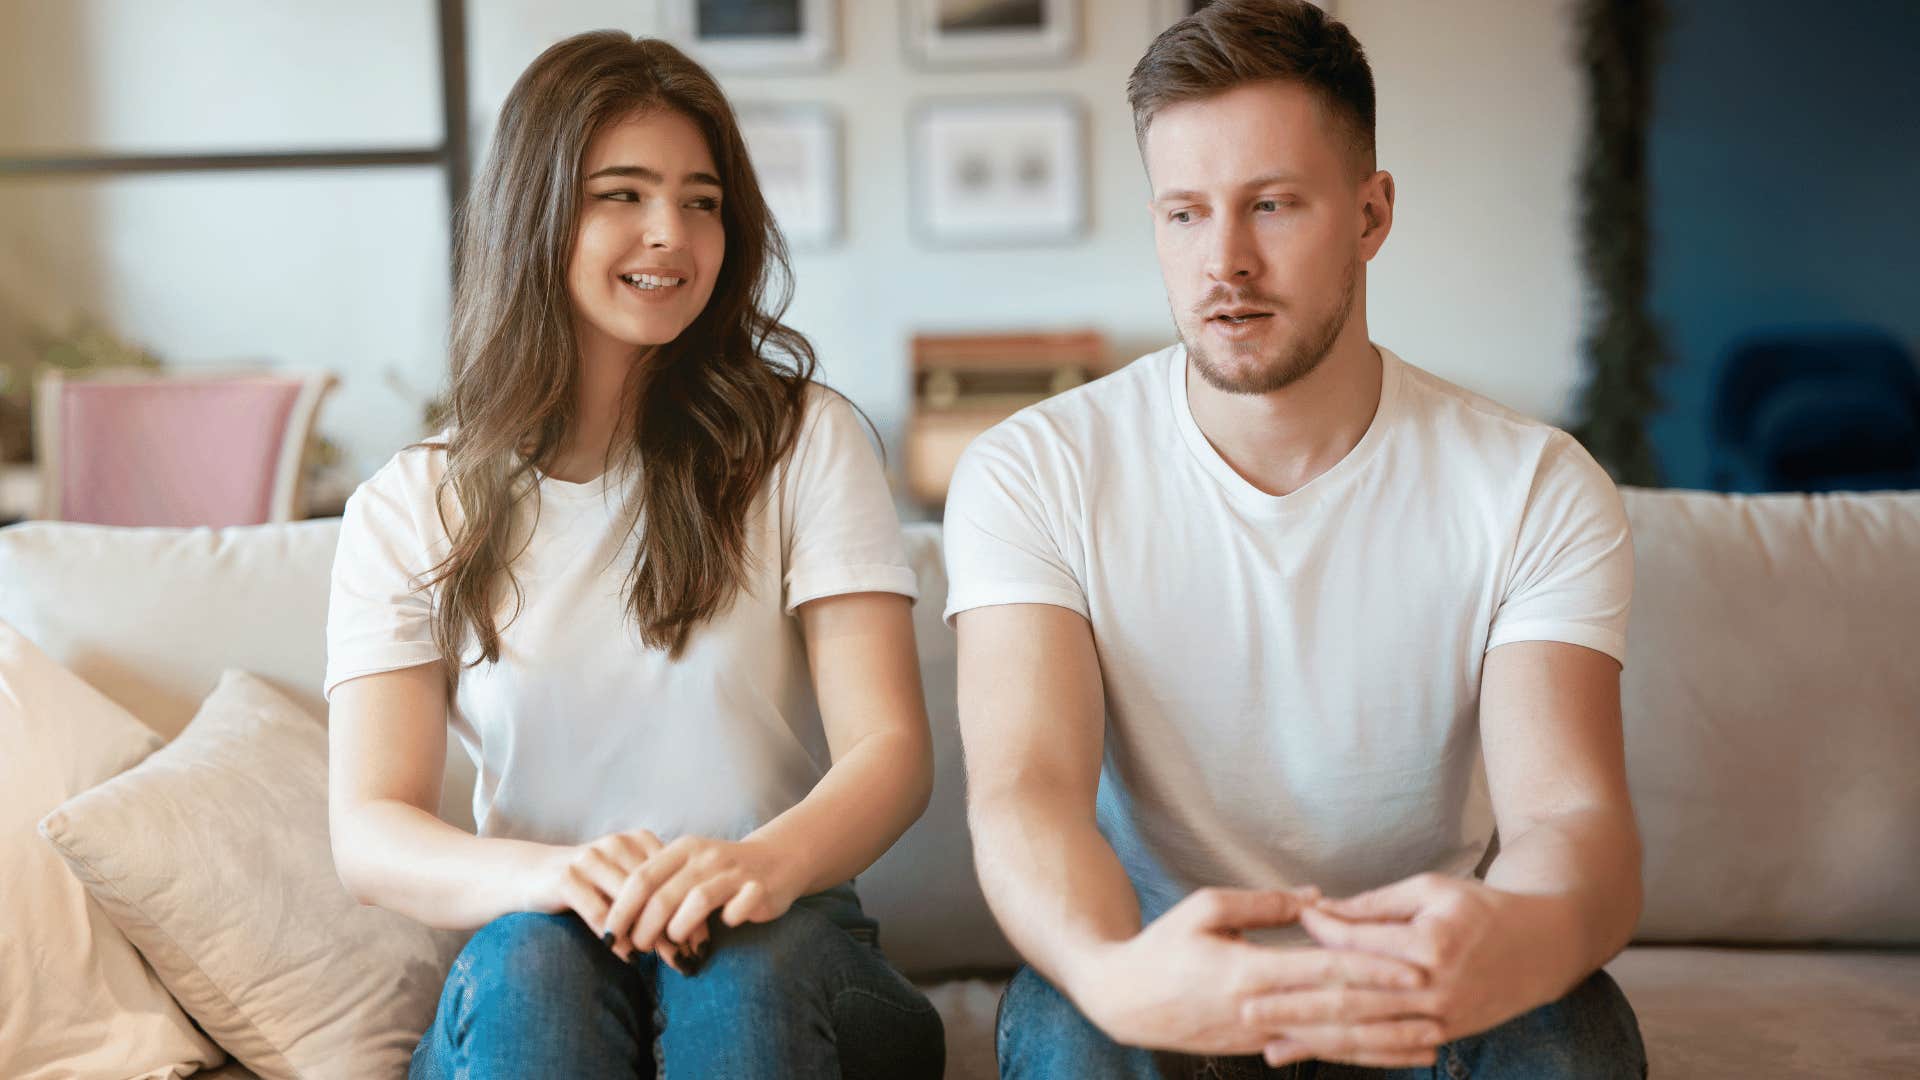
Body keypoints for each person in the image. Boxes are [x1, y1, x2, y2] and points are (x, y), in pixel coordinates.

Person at [944, 2, 1647, 1077]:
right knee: (1071, 1020)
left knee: (1570, 1026)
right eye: (1185, 214)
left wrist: (1523, 936)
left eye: (1271, 205)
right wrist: (1108, 969)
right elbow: (1026, 792)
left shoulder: (1532, 485)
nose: (1223, 260)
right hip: (1168, 957)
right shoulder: (1033, 471)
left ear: (1370, 215)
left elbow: (1570, 814)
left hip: (1414, 970)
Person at [323, 31, 945, 1079]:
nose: (672, 234)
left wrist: (756, 869)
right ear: (537, 212)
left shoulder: (802, 441)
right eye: (623, 194)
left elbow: (891, 753)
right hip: (545, 953)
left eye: (702, 200)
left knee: (747, 966)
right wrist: (557, 877)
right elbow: (370, 833)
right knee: (532, 964)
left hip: (792, 944)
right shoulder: (409, 504)